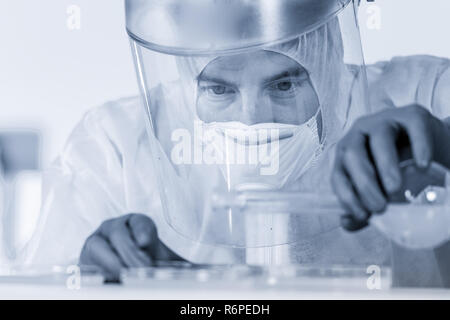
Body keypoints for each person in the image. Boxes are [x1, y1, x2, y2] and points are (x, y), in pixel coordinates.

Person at [21, 0, 450, 285]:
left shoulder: (425, 96)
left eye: (284, 84)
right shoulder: (112, 151)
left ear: (330, 51)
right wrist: (140, 286)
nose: (252, 120)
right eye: (220, 90)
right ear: (187, 73)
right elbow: (42, 286)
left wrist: (441, 148)